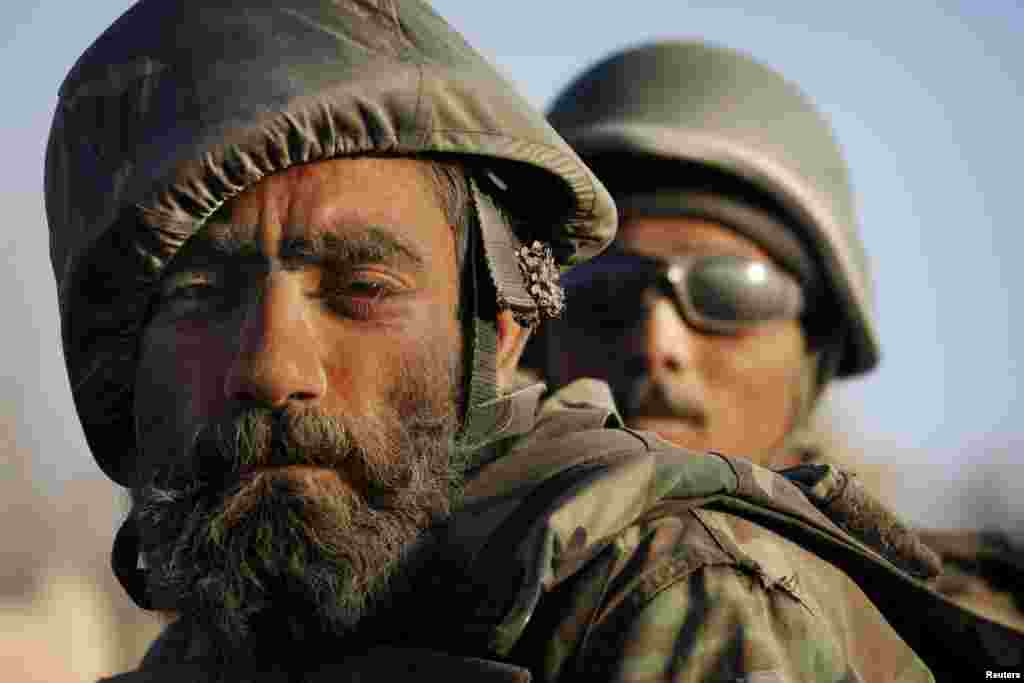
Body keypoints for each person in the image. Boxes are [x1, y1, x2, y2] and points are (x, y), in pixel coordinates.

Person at [46, 3, 1019, 681]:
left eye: (727, 290)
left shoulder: (668, 588)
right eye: (202, 293)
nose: (270, 365)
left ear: (499, 325)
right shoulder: (242, 614)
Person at [536, 39, 1024, 641]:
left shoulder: (949, 637)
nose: (658, 342)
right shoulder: (426, 583)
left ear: (814, 348)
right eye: (603, 294)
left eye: (729, 293)